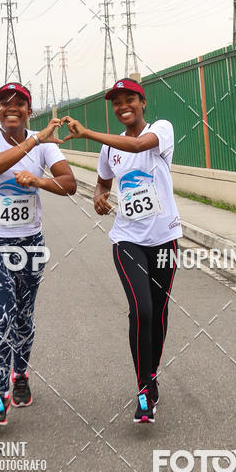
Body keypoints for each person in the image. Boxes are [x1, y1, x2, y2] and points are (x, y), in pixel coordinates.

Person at [63, 78, 181, 424]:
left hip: (165, 239)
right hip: (127, 240)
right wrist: (99, 196)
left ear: (142, 102)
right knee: (141, 310)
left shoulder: (161, 130)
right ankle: (144, 388)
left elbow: (138, 145)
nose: (122, 106)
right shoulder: (109, 149)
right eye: (116, 103)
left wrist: (88, 134)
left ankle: (152, 374)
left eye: (129, 99)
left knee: (159, 312)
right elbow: (103, 181)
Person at [0, 82, 76, 426]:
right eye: (5, 103)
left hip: (30, 245)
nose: (12, 107)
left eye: (20, 103)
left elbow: (69, 184)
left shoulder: (45, 147)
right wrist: (35, 141)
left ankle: (20, 374)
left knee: (23, 317)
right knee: (2, 314)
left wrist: (38, 180)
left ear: (29, 111)